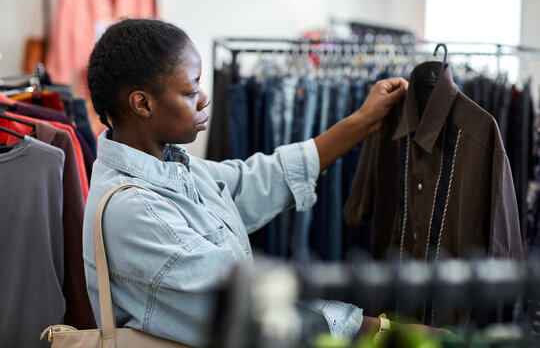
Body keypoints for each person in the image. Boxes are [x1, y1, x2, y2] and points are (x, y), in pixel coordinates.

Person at [82, 18, 439, 347]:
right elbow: (250, 308)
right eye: (191, 92)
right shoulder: (137, 212)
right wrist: (382, 330)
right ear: (142, 104)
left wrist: (362, 120)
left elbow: (252, 181)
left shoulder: (169, 166)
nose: (205, 98)